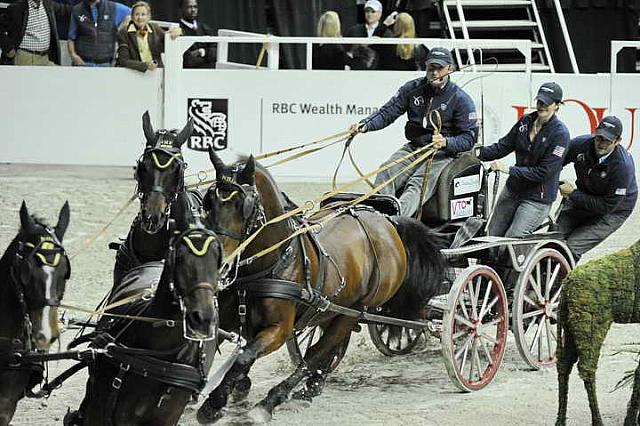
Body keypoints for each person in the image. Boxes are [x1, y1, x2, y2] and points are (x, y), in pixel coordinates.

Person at [350, 47, 477, 217]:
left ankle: (395, 221)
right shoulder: (412, 88)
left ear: (450, 69)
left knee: (418, 184)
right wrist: (365, 125)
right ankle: (379, 216)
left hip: (442, 154)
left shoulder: (461, 100)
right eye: (431, 68)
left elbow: (469, 138)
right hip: (415, 147)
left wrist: (447, 142)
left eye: (440, 68)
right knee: (386, 171)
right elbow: (387, 112)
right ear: (425, 67)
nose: (435, 72)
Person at [477, 82, 570, 243]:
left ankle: (509, 268)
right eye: (539, 101)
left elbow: (544, 172)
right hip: (513, 190)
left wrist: (509, 170)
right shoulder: (526, 121)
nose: (541, 106)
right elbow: (503, 146)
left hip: (537, 198)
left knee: (510, 242)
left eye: (546, 103)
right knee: (490, 237)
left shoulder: (560, 133)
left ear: (557, 105)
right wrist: (476, 153)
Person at [556, 116, 638, 261]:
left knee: (572, 247)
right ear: (595, 133)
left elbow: (606, 207)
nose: (601, 144)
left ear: (618, 141)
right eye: (599, 138)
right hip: (585, 194)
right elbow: (553, 164)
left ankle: (557, 282)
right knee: (554, 240)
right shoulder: (581, 144)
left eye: (608, 140)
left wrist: (573, 194)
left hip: (614, 210)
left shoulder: (623, 167)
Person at [2, 0, 72, 65]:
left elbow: (66, 10)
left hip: (45, 57)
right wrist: (8, 48)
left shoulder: (48, 4)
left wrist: (82, 7)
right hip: (25, 57)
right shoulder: (17, 8)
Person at [68, 0, 131, 66]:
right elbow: (71, 38)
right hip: (83, 63)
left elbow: (135, 12)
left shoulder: (113, 7)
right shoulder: (77, 10)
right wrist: (73, 55)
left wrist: (124, 25)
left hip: (105, 64)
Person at [116, 1, 172, 72]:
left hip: (155, 72)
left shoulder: (155, 28)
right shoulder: (124, 32)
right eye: (137, 14)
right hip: (134, 73)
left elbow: (171, 38)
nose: (140, 18)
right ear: (132, 17)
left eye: (143, 14)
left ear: (148, 17)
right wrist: (145, 65)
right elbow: (123, 61)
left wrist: (177, 31)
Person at [346, 0, 392, 69]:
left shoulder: (387, 34)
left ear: (380, 14)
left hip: (379, 72)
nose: (369, 14)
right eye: (367, 11)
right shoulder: (354, 30)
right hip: (357, 71)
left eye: (373, 11)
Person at [179, 0, 216, 69]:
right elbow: (187, 61)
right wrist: (207, 58)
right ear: (181, 9)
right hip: (187, 74)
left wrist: (201, 52)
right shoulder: (177, 30)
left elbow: (216, 52)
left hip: (208, 73)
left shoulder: (205, 28)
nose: (193, 10)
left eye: (195, 7)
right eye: (189, 7)